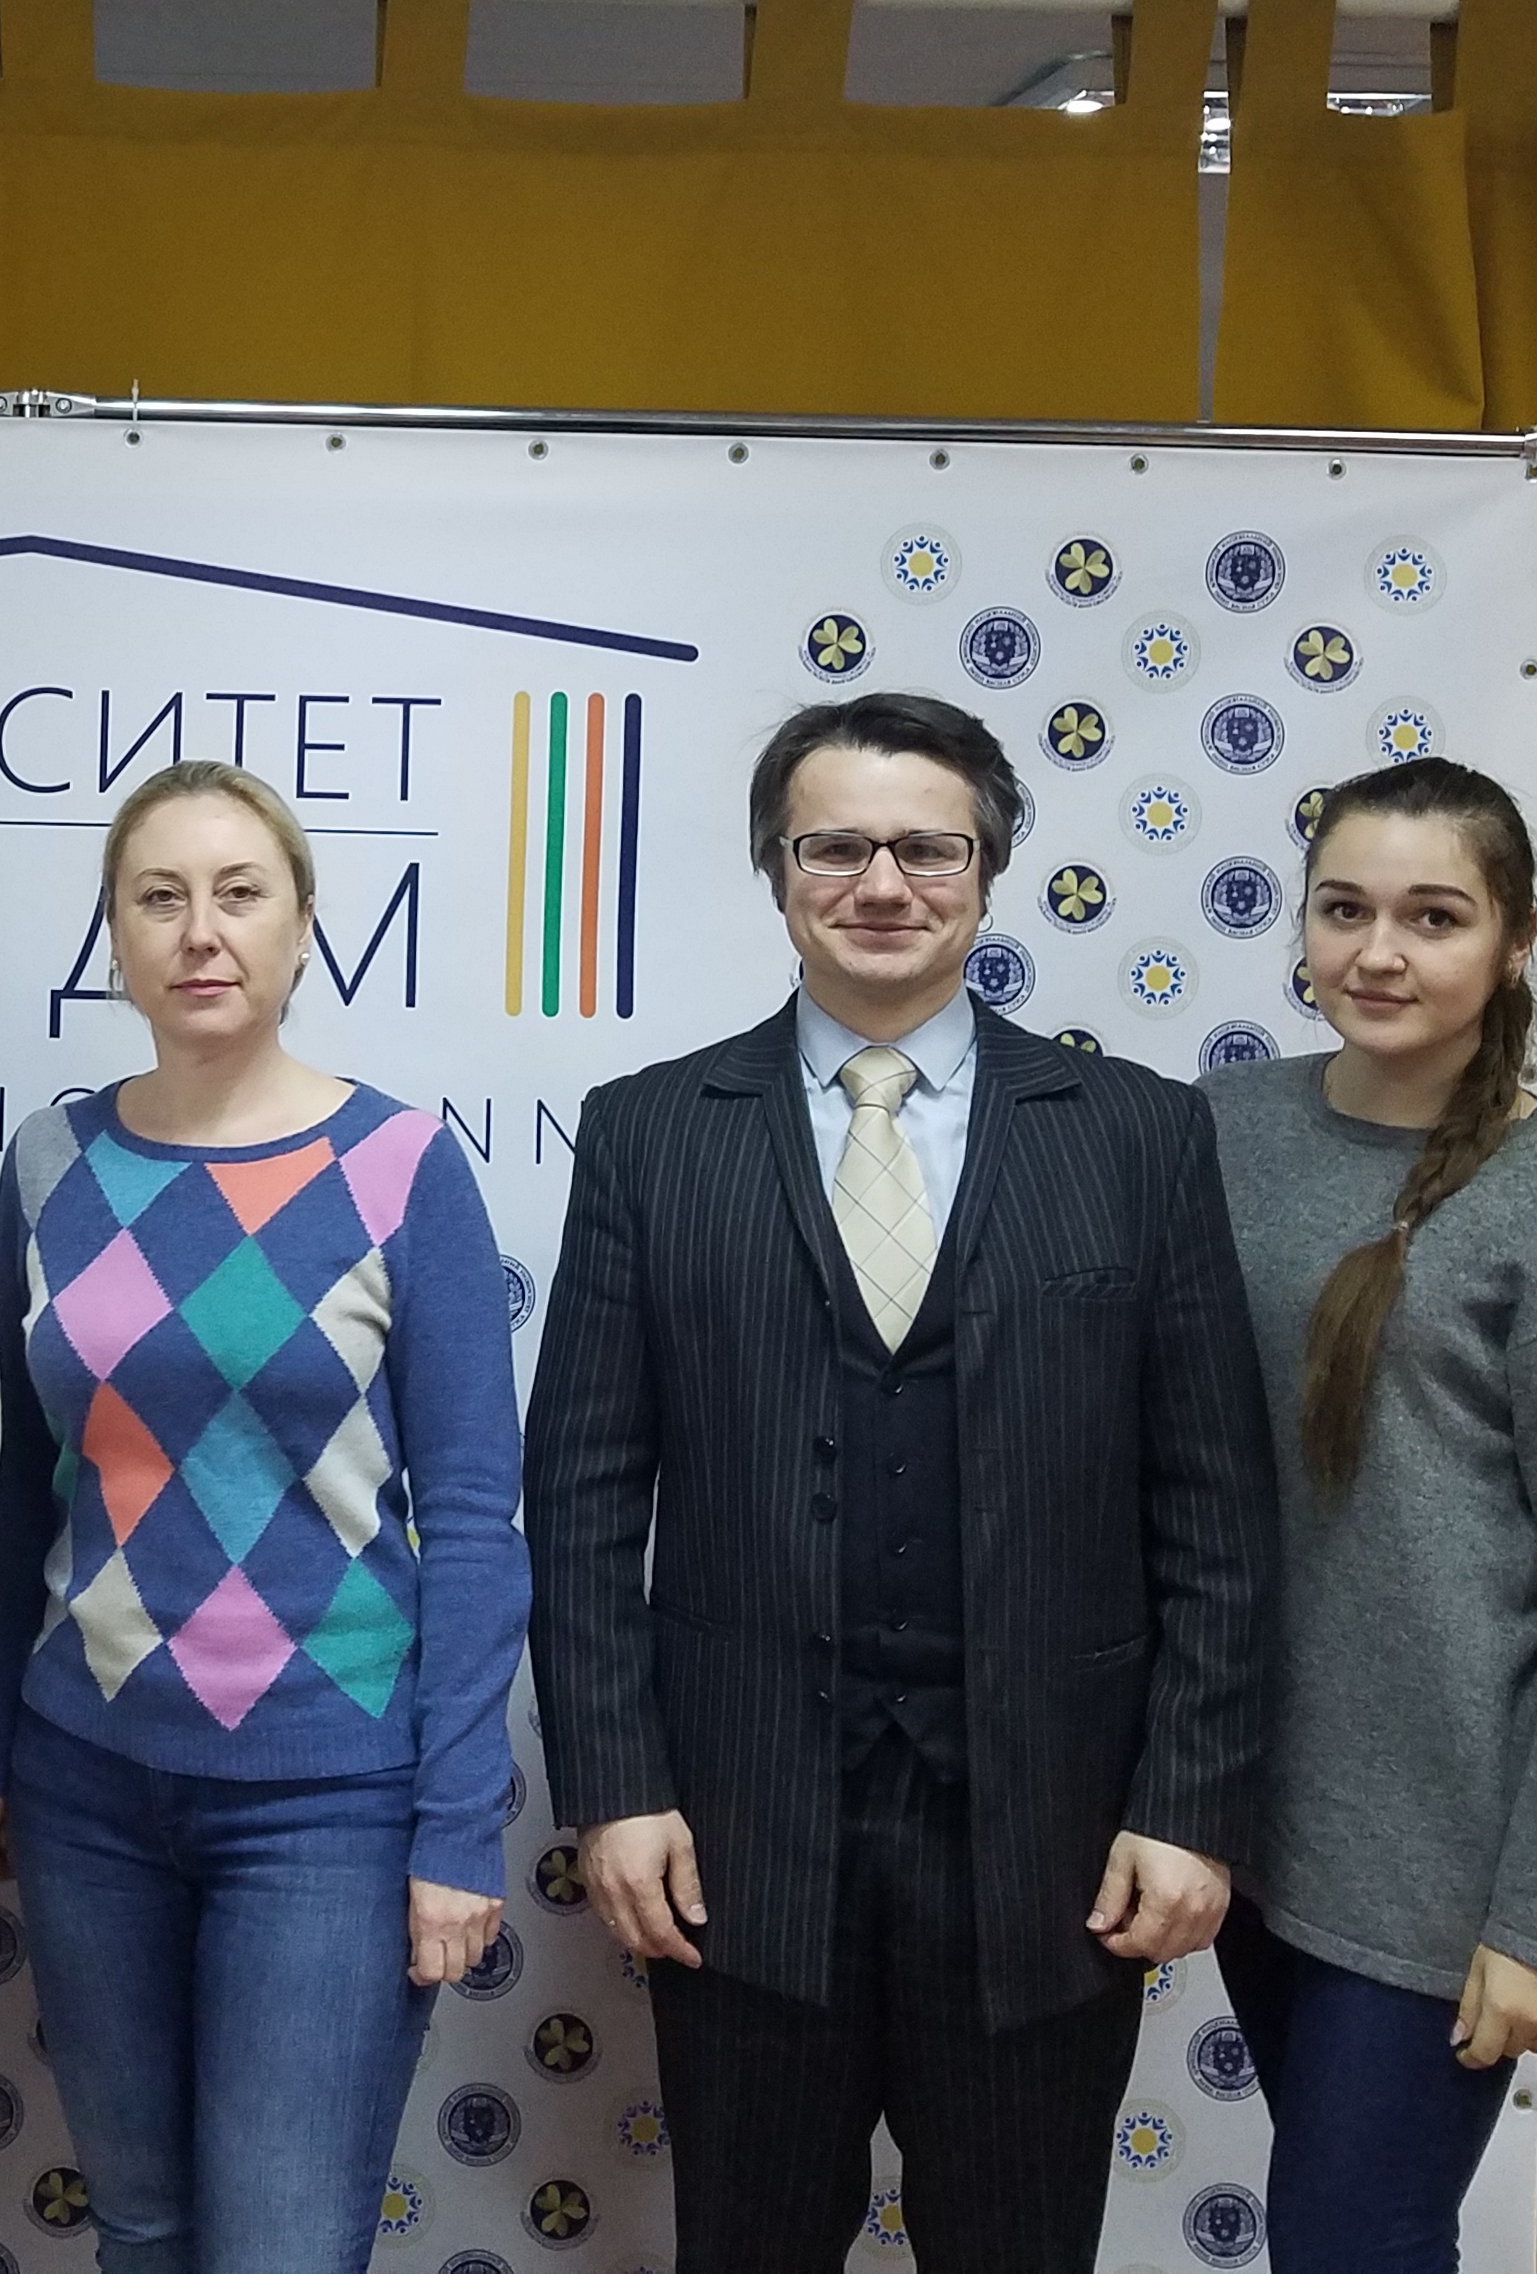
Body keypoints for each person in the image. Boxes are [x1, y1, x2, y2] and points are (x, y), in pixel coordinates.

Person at [522, 690, 1277, 2274]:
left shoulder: (1138, 1137)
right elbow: (584, 1499)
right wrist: (616, 1786)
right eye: (836, 847)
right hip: (737, 1840)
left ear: (987, 872)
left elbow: (1213, 1512)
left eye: (928, 849)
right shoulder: (650, 1134)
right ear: (777, 870)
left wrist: (1188, 1806)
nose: (883, 883)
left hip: (1052, 1849)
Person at [0, 760, 530, 2274]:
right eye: (160, 897)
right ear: (114, 932)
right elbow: (14, 1486)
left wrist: (458, 1824)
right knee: (141, 2231)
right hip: (84, 1784)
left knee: (280, 2246)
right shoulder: (50, 1163)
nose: (199, 932)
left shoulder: (400, 1167)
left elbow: (476, 1518)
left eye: (238, 893)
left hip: (329, 1804)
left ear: (301, 926)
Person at [1201, 757, 1537, 2274]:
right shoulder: (1217, 1130)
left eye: (1434, 916)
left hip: (1439, 1860)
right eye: (1343, 909)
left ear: (1518, 940)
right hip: (1244, 1824)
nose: (1380, 953)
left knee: (1354, 2241)